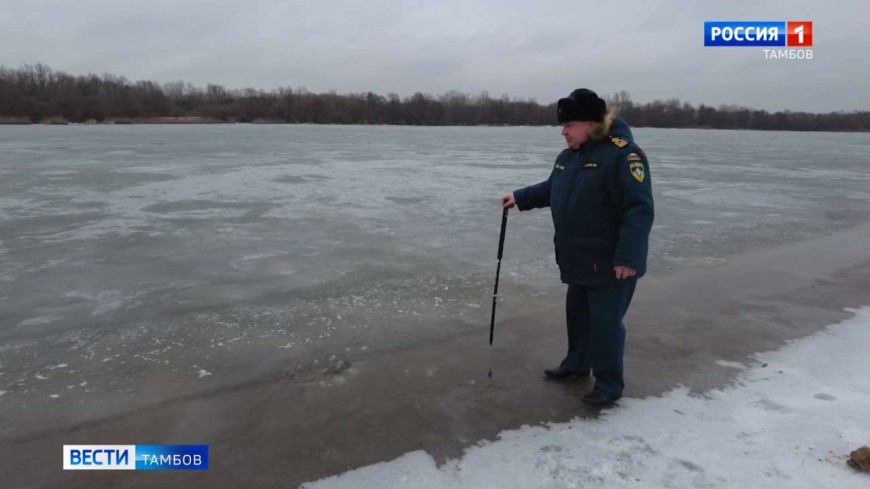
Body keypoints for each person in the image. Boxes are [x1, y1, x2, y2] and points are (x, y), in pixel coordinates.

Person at [501, 88, 654, 407]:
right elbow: (553, 188)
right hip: (579, 259)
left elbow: (638, 210)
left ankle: (609, 383)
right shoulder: (569, 157)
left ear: (592, 124)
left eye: (570, 125)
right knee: (578, 316)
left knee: (605, 324)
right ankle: (576, 363)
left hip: (611, 263)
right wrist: (520, 197)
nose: (564, 131)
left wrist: (628, 257)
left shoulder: (623, 156)